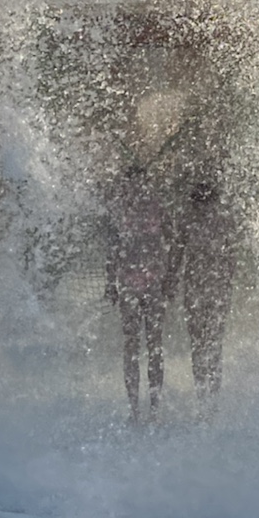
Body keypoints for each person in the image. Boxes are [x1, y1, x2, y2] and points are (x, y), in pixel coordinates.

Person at [105, 166, 175, 422]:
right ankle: (135, 408)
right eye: (131, 184)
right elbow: (112, 247)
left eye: (140, 183)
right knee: (133, 344)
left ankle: (154, 408)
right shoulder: (119, 209)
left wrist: (170, 276)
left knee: (153, 344)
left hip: (152, 283)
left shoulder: (157, 207)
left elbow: (173, 239)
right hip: (130, 284)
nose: (136, 188)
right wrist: (110, 282)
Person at [173, 180, 237, 407]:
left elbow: (231, 257)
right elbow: (177, 252)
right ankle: (204, 397)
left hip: (210, 288)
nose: (203, 210)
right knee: (202, 344)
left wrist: (171, 278)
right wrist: (171, 278)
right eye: (200, 206)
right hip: (201, 288)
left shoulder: (220, 220)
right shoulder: (193, 220)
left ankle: (211, 398)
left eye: (205, 205)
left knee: (210, 343)